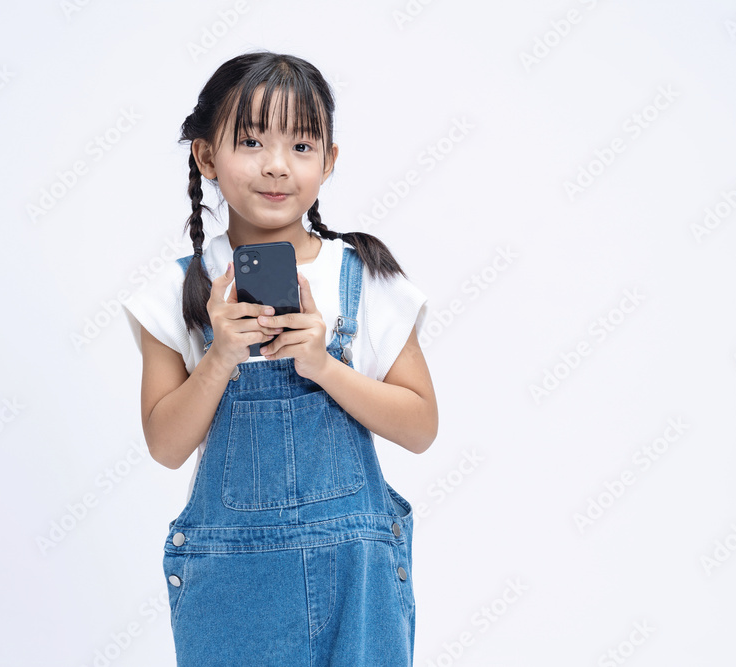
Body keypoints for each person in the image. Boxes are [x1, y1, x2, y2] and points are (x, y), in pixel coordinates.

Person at [122, 50, 438, 666]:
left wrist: (323, 365)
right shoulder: (177, 291)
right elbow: (165, 445)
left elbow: (421, 426)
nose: (276, 165)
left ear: (329, 161)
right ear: (206, 156)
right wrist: (220, 356)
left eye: (301, 145)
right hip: (234, 590)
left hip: (357, 585)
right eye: (250, 141)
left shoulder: (363, 277)